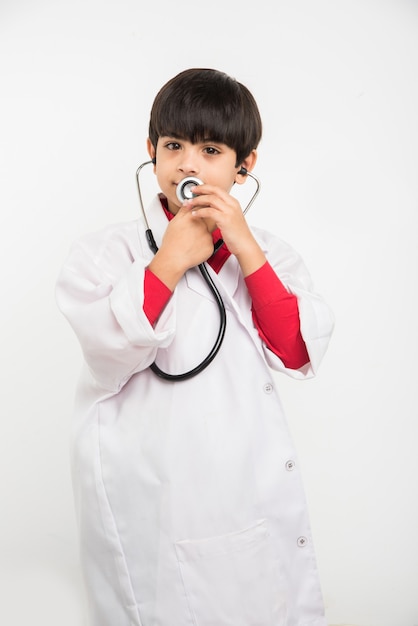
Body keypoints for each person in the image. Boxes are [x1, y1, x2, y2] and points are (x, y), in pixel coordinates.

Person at [56, 68, 334, 626]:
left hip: (241, 478)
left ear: (244, 165)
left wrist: (244, 247)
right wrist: (170, 260)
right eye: (174, 145)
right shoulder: (105, 253)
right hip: (153, 486)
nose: (188, 163)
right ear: (151, 151)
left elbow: (297, 350)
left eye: (211, 149)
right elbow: (107, 352)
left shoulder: (267, 254)